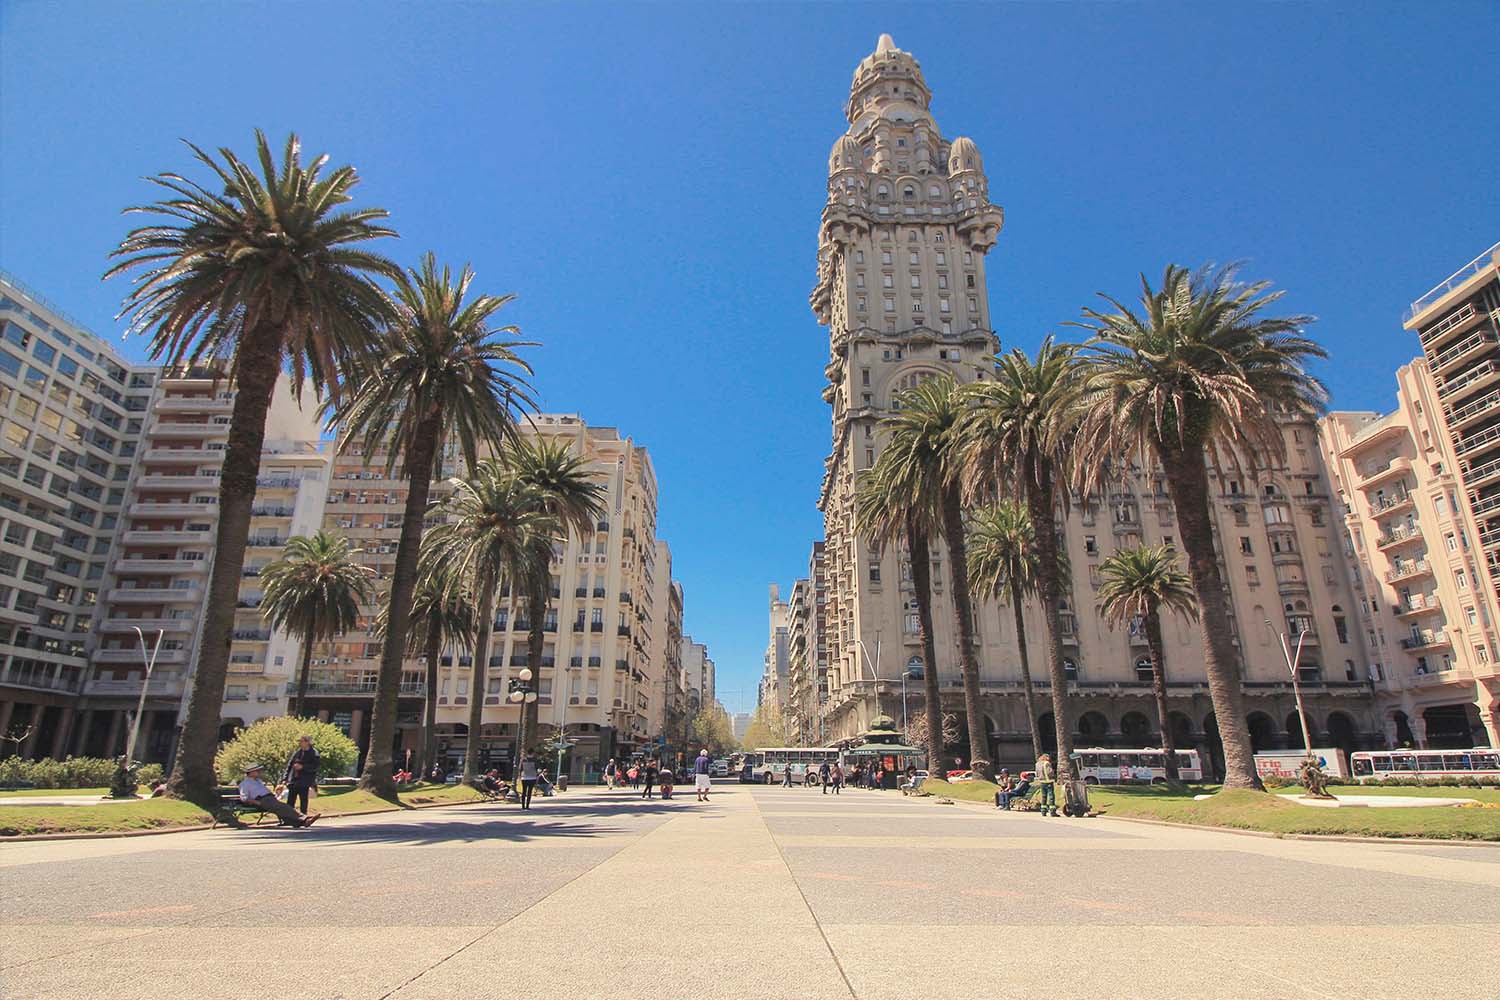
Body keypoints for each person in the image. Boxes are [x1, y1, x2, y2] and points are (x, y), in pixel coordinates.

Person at [238, 763, 318, 827]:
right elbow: (244, 798)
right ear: (251, 772)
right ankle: (305, 818)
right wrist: (258, 803)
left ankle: (302, 823)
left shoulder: (258, 781)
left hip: (269, 798)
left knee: (280, 809)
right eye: (257, 771)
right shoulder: (245, 784)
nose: (259, 772)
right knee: (283, 807)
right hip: (262, 800)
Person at [282, 735, 319, 815]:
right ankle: (289, 818)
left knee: (303, 800)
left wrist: (303, 767)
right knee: (290, 800)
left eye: (302, 741)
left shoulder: (314, 753)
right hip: (294, 779)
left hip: (305, 781)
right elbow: (290, 765)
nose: (300, 743)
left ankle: (303, 818)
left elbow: (315, 767)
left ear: (307, 742)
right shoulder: (298, 752)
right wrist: (285, 778)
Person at [1035, 752, 1058, 817]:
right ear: (1046, 757)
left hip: (1042, 782)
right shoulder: (1046, 763)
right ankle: (1052, 811)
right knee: (1051, 796)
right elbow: (1050, 772)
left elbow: (1037, 773)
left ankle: (1043, 811)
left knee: (1044, 796)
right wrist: (1053, 776)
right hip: (1048, 781)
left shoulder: (1037, 764)